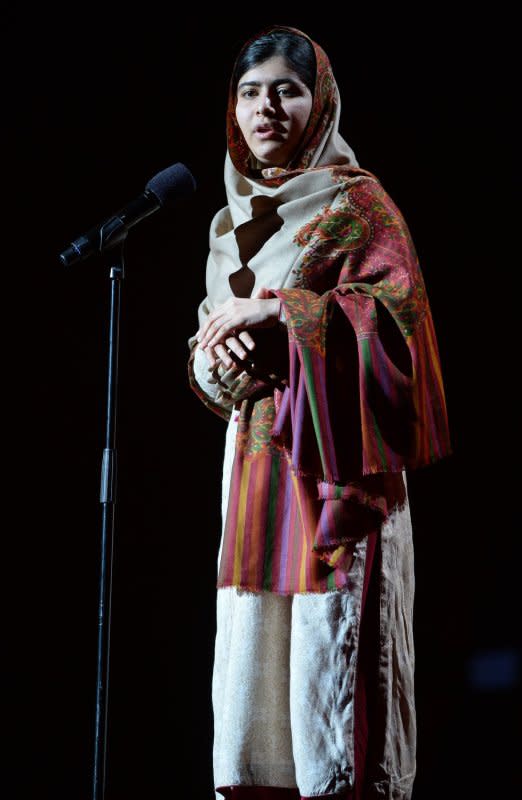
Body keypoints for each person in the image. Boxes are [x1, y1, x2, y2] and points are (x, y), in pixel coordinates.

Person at [188, 24, 451, 800]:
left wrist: (285, 318)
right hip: (257, 473)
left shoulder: (358, 204)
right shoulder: (229, 225)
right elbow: (207, 354)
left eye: (287, 89)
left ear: (320, 102)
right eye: (249, 92)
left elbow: (401, 329)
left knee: (329, 696)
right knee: (254, 707)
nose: (266, 107)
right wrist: (218, 359)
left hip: (338, 476)